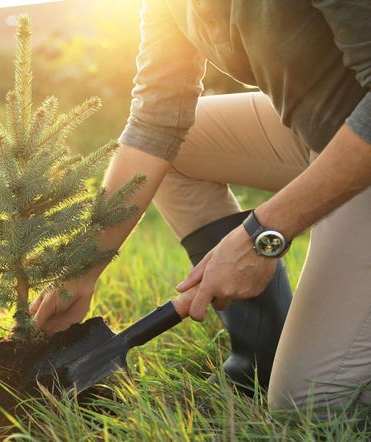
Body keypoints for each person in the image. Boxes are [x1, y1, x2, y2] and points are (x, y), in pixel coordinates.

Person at [30, 0, 371, 412]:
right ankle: (261, 357)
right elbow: (155, 122)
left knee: (310, 402)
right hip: (325, 127)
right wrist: (83, 269)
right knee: (179, 148)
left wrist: (264, 234)